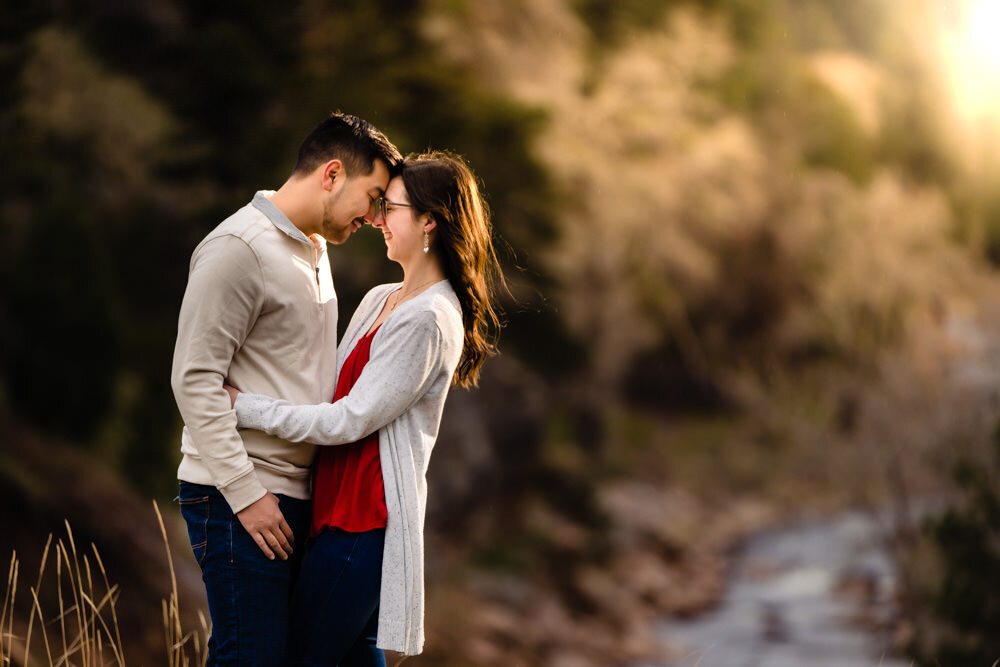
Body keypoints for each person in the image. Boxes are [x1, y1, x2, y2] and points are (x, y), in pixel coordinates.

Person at [225, 151, 506, 665]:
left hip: (364, 528)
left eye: (389, 207)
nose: (376, 219)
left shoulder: (430, 318)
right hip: (332, 517)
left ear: (429, 222)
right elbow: (326, 392)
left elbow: (348, 419)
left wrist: (246, 407)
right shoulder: (382, 298)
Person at [171, 112, 402, 666]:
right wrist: (246, 494)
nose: (373, 218)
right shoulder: (238, 248)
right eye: (371, 198)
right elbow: (194, 379)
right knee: (250, 657)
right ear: (330, 175)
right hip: (238, 494)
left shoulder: (315, 251)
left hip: (295, 497)